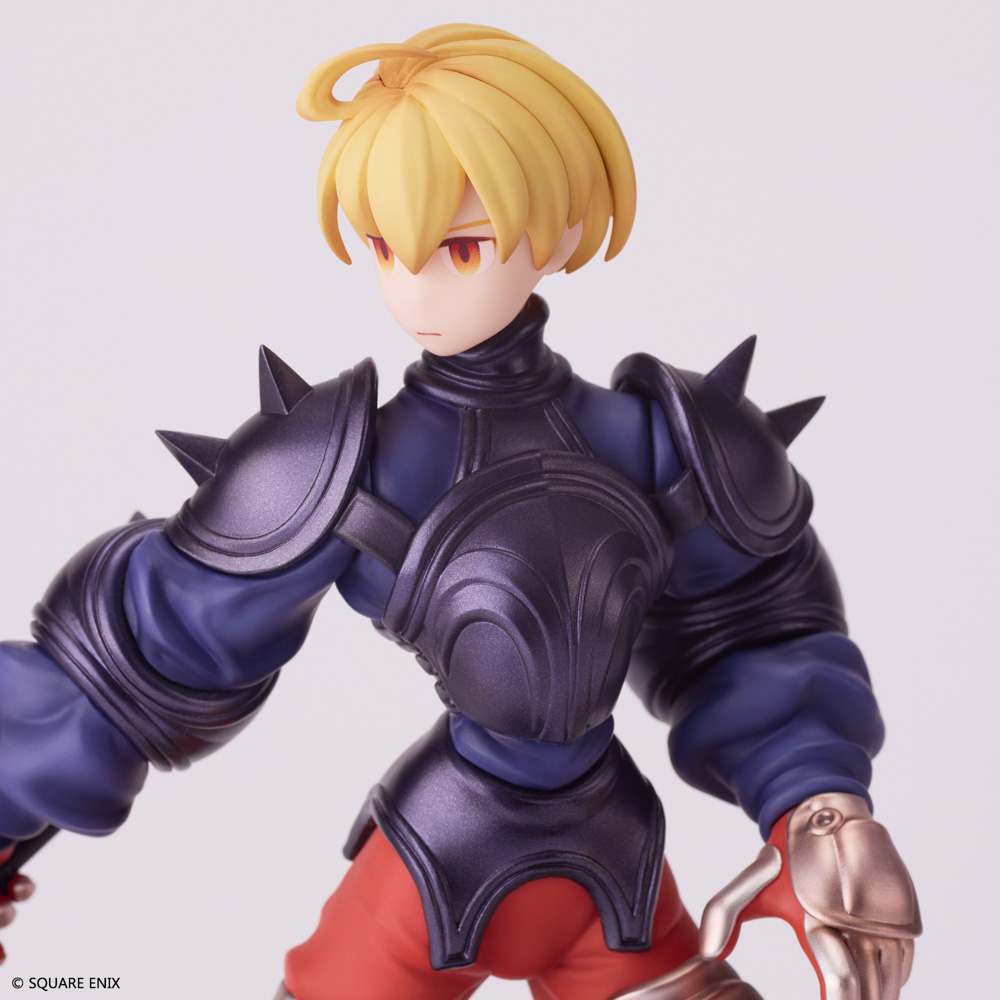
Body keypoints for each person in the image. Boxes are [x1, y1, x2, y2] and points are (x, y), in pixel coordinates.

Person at [0, 23, 919, 1000]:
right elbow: (144, 654)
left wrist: (822, 811)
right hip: (431, 866)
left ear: (561, 231)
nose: (416, 285)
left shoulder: (661, 446)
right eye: (385, 246)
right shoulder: (343, 464)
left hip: (615, 879)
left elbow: (752, 636)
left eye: (462, 244)